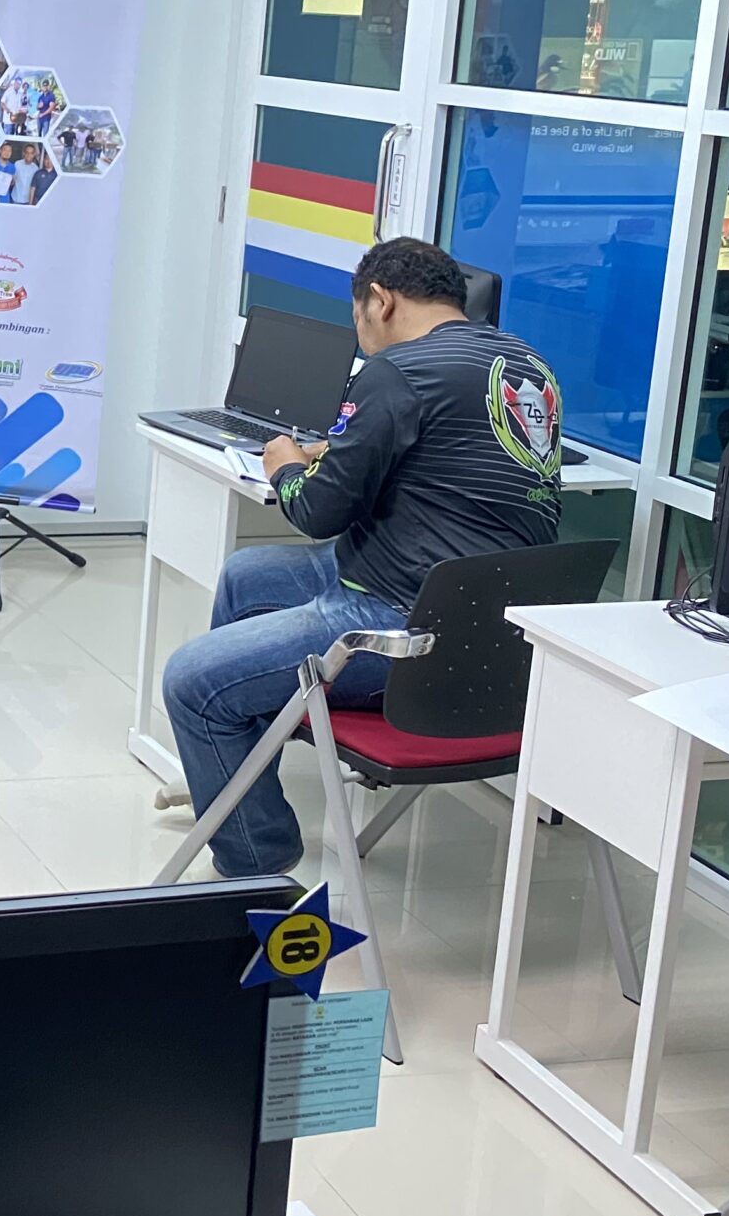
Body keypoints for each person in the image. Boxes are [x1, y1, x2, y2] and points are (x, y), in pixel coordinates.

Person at [161, 239, 564, 878]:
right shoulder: (527, 364)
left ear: (380, 300)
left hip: (405, 632)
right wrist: (348, 448)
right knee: (248, 576)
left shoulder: (398, 371)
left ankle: (256, 859)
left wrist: (285, 464)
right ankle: (234, 788)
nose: (362, 338)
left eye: (358, 320)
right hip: (498, 636)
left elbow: (318, 511)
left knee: (192, 681)